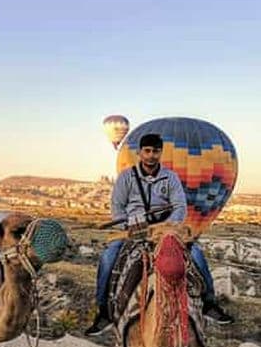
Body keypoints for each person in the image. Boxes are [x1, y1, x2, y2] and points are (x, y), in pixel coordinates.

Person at [85, 133, 234, 336]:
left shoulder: (170, 177)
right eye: (147, 151)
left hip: (165, 229)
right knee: (108, 257)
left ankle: (209, 303)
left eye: (155, 151)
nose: (151, 155)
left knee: (197, 254)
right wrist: (130, 224)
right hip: (136, 229)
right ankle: (103, 312)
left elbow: (180, 206)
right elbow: (118, 207)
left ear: (160, 153)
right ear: (140, 153)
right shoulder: (126, 177)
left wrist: (168, 226)